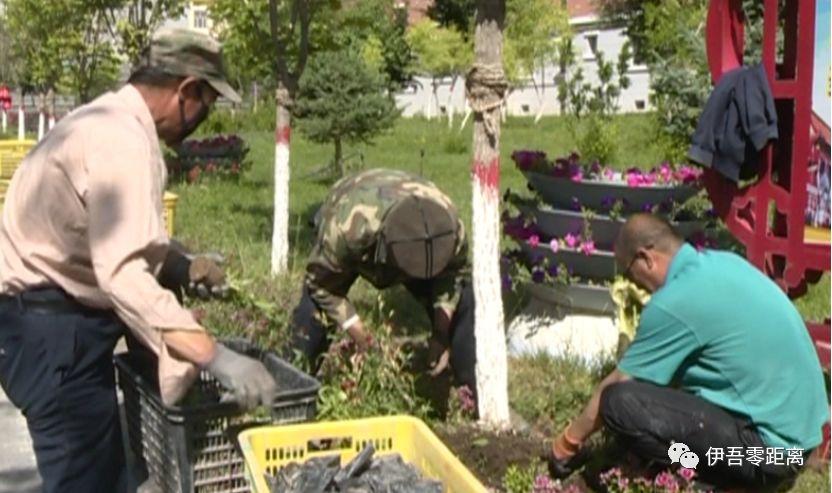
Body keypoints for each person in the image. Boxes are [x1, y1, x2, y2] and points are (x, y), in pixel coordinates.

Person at [0, 28, 277, 493]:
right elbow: (124, 274)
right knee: (84, 481)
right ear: (186, 91)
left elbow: (104, 233)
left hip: (37, 324)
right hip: (50, 335)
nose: (202, 119)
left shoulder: (103, 118)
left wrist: (180, 266)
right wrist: (218, 357)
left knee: (106, 472)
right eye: (207, 103)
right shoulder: (124, 140)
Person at [545, 213, 828, 490]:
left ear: (646, 259)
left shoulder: (674, 301)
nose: (634, 283)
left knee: (619, 404)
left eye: (630, 273)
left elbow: (620, 383)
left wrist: (566, 444)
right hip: (797, 448)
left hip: (768, 456)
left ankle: (698, 475)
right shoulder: (723, 263)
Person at [291, 168, 476, 392]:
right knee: (313, 313)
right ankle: (293, 386)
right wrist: (360, 335)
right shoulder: (345, 229)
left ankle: (471, 390)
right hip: (353, 207)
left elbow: (453, 277)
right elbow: (320, 285)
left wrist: (441, 333)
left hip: (412, 227)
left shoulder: (451, 232)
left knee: (465, 301)